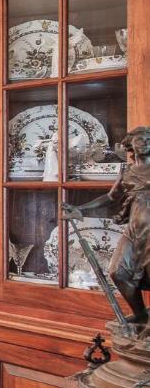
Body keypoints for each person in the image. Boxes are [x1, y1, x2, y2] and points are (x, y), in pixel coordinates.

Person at [66, 126, 150, 326]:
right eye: (141, 139)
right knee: (118, 273)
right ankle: (141, 315)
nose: (146, 142)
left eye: (149, 139)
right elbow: (111, 197)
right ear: (130, 145)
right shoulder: (127, 172)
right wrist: (81, 209)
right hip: (135, 231)